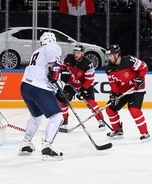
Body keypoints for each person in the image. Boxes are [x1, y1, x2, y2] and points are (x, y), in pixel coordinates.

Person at [19, 32, 64, 161]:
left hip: (26, 87)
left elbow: (43, 71)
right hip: (39, 88)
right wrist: (54, 73)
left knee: (36, 117)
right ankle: (47, 148)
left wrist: (55, 90)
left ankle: (26, 143)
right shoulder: (52, 47)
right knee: (57, 117)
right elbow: (52, 69)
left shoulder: (36, 51)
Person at [105, 45, 150, 141]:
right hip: (123, 91)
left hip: (136, 89)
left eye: (111, 55)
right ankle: (117, 130)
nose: (109, 58)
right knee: (110, 109)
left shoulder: (129, 60)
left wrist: (140, 78)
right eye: (108, 56)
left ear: (117, 54)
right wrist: (113, 94)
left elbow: (144, 67)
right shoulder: (109, 68)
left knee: (134, 110)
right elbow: (113, 83)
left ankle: (145, 133)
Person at [58, 44, 106, 130]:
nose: (76, 54)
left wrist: (83, 89)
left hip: (85, 86)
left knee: (91, 104)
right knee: (62, 100)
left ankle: (101, 120)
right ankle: (64, 120)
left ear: (83, 53)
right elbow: (61, 66)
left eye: (78, 53)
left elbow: (90, 80)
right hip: (71, 84)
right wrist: (64, 72)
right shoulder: (68, 58)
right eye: (75, 52)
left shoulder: (88, 64)